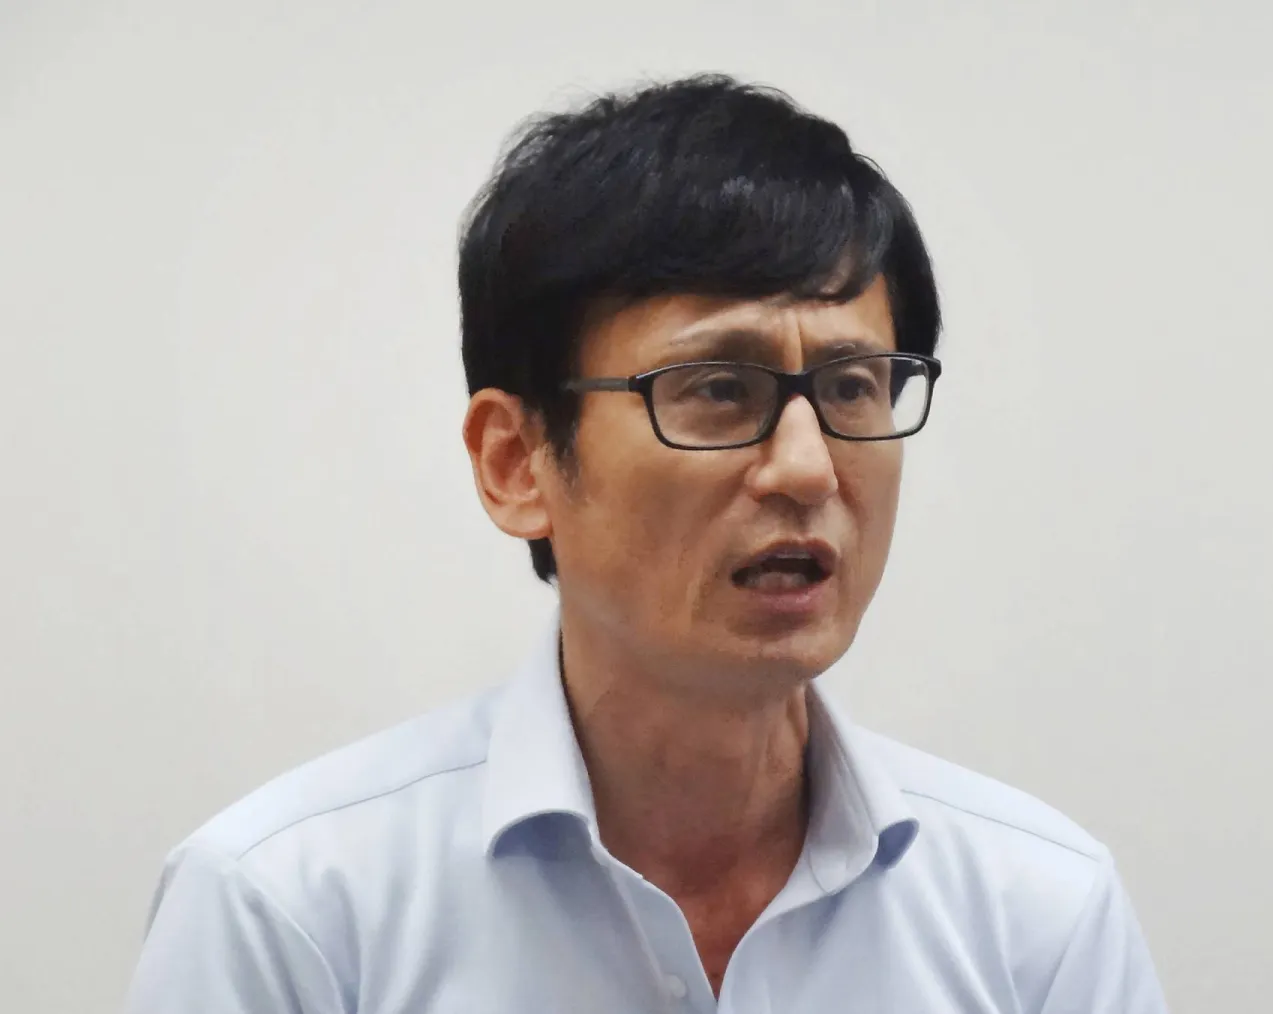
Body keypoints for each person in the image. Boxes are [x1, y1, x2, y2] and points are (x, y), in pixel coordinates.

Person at [123, 73, 1169, 1013]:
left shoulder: (1039, 918)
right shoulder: (291, 913)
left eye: (853, 387)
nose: (808, 468)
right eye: (720, 389)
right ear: (517, 463)